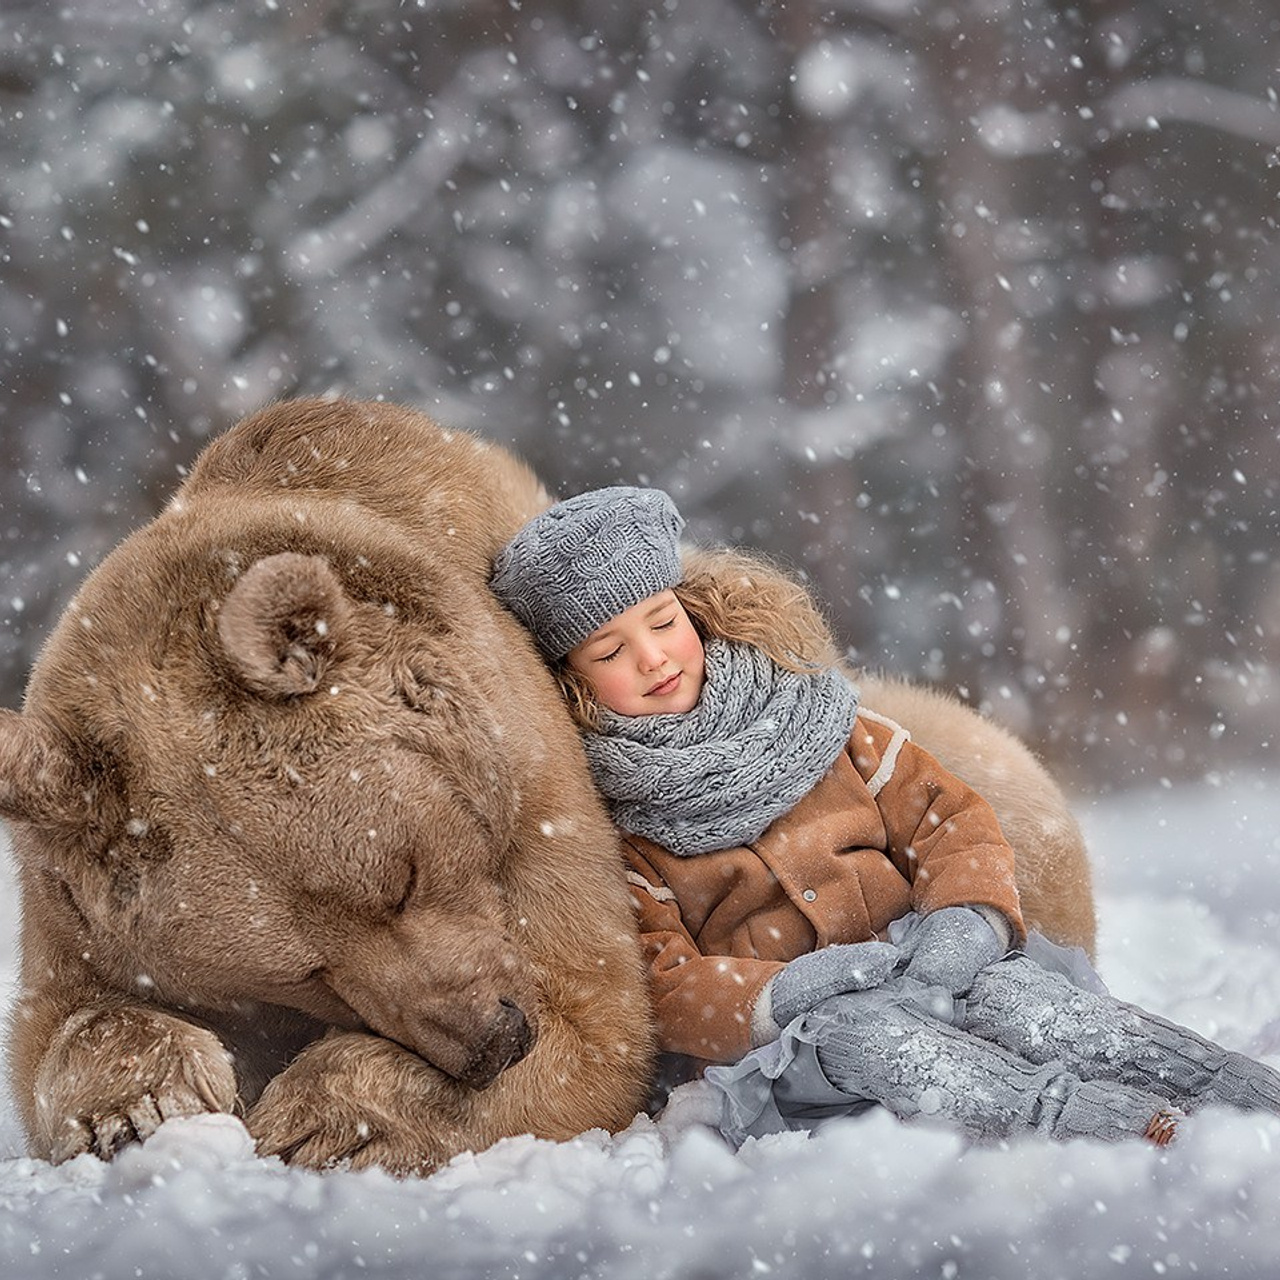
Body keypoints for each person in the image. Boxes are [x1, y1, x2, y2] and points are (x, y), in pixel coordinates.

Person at [491, 486, 1280, 1148]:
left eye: (662, 623)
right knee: (867, 1041)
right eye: (609, 651)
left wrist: (962, 921)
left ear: (693, 612)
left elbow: (949, 820)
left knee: (1027, 1002)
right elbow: (664, 982)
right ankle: (1105, 1126)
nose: (654, 658)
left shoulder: (828, 724)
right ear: (574, 684)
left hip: (921, 959)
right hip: (801, 1037)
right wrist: (792, 989)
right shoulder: (623, 827)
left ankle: (1238, 1090)